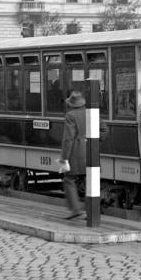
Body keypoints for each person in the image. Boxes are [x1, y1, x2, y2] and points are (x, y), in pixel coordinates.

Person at [59, 91, 87, 220]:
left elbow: (68, 139)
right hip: (90, 151)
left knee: (69, 179)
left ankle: (76, 209)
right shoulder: (91, 113)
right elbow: (104, 129)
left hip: (76, 152)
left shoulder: (70, 115)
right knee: (90, 181)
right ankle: (92, 211)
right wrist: (96, 143)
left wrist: (64, 158)